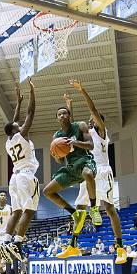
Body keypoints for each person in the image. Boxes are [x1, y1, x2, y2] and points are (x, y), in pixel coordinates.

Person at [66, 80, 126, 264]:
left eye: (94, 119)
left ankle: (121, 248)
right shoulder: (86, 134)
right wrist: (70, 106)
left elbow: (93, 109)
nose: (91, 120)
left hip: (102, 171)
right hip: (89, 171)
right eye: (91, 119)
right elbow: (75, 126)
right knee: (80, 209)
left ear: (99, 121)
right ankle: (73, 245)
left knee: (109, 208)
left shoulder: (101, 132)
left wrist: (82, 91)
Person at [43, 89, 102, 259]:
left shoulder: (80, 125)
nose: (62, 116)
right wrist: (57, 156)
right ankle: (73, 213)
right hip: (69, 168)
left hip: (84, 161)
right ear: (57, 119)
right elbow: (61, 161)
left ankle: (94, 208)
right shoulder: (57, 136)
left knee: (88, 174)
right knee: (47, 191)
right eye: (59, 115)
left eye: (64, 113)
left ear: (69, 115)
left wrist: (75, 143)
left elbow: (91, 146)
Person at [0, 78, 39, 262]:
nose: (21, 125)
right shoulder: (22, 136)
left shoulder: (9, 141)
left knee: (16, 212)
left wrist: (19, 102)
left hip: (14, 178)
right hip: (26, 176)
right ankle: (17, 243)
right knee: (29, 211)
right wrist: (31, 92)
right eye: (19, 126)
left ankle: (6, 240)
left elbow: (13, 122)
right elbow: (30, 113)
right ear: (16, 131)